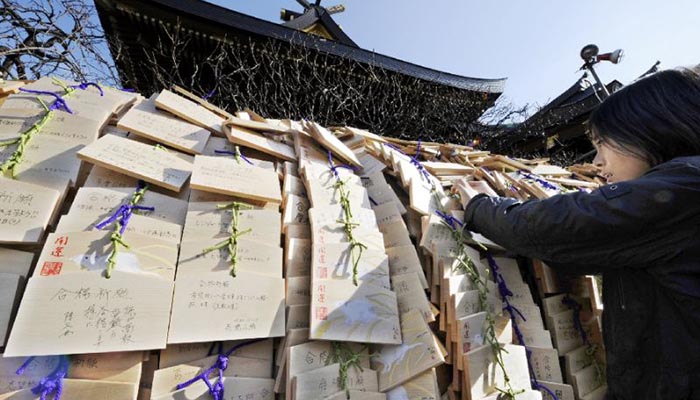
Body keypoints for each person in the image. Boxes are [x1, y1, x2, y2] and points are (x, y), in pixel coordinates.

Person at [462, 66, 700, 400]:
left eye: (603, 143)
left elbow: (571, 225)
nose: (598, 162)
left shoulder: (685, 190)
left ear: (652, 130)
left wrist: (479, 206)